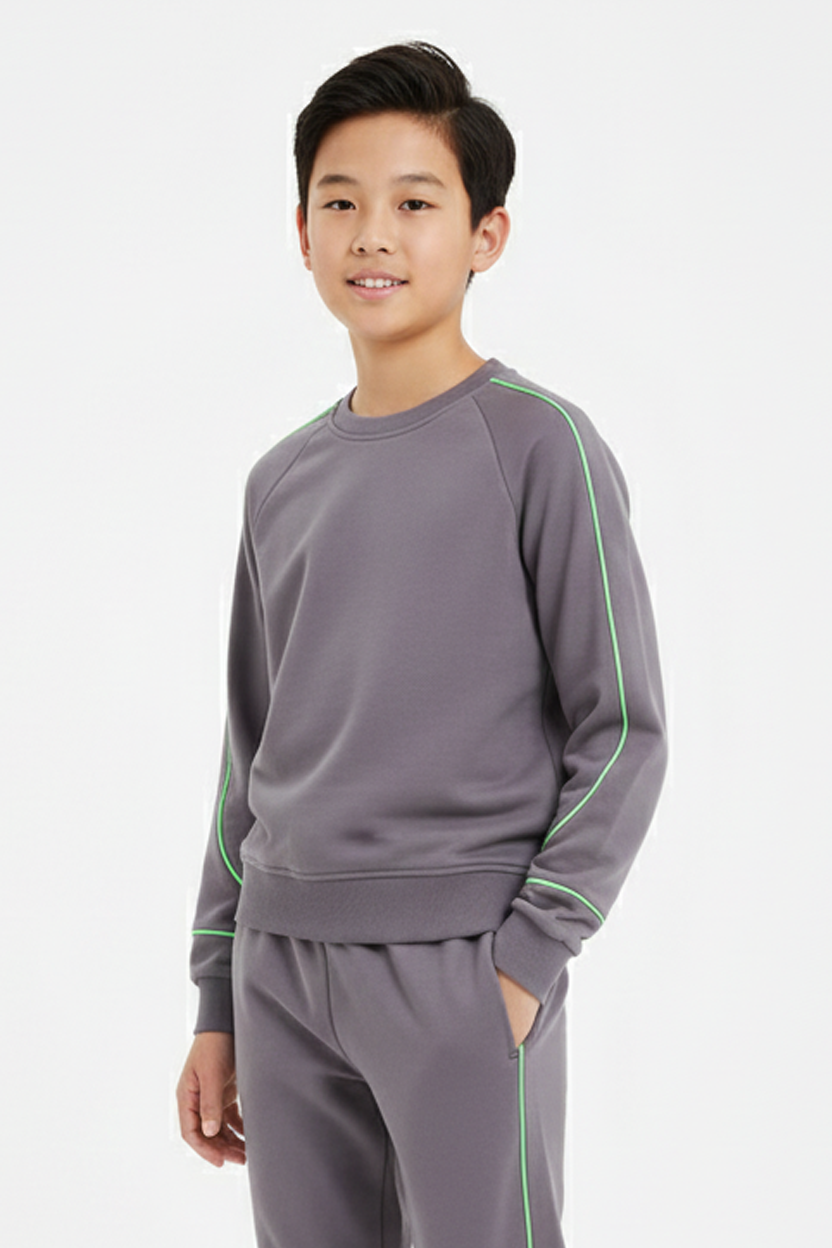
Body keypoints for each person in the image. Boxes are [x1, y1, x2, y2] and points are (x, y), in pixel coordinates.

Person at [175, 40, 668, 1248]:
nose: (372, 237)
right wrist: (217, 994)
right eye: (340, 203)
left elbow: (621, 731)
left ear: (484, 235)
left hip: (458, 965)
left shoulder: (541, 446)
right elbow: (249, 752)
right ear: (301, 233)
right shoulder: (279, 480)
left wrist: (521, 962)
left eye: (413, 204)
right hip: (280, 969)